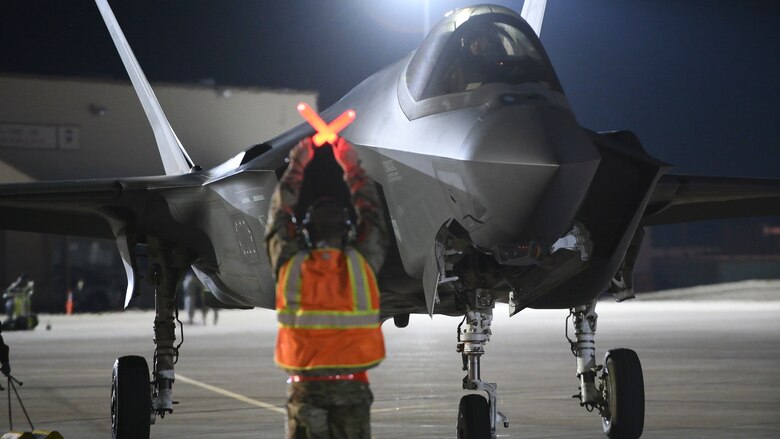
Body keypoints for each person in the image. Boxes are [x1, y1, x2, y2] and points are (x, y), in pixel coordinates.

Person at [265, 136, 388, 439]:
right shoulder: (362, 263)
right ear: (349, 231)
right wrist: (350, 164)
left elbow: (278, 215)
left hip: (306, 390)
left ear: (305, 232)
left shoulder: (290, 264)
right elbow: (371, 212)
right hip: (352, 387)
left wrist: (297, 163)